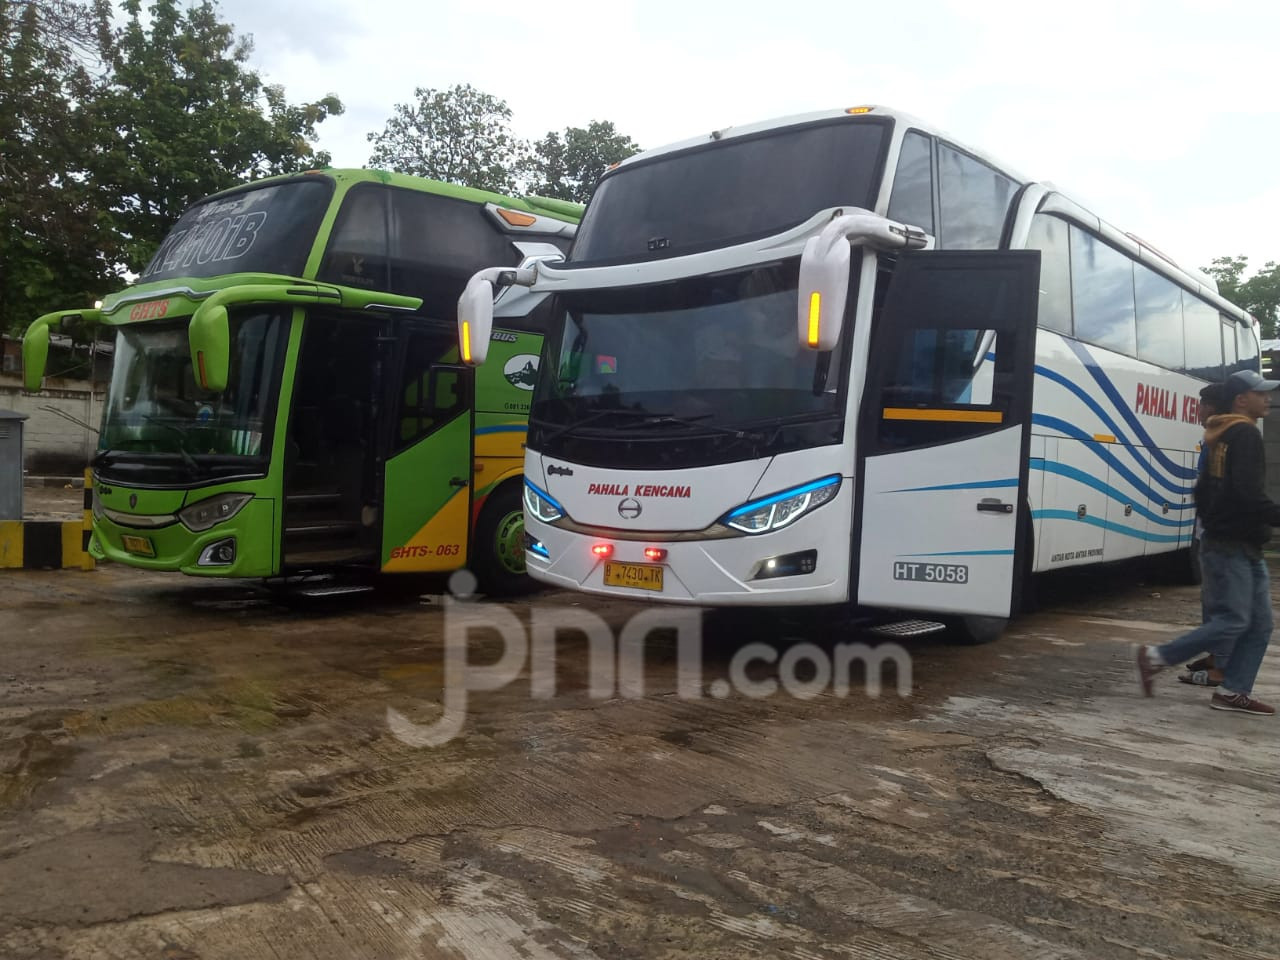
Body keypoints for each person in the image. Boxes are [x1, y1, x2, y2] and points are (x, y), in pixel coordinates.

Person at [1136, 369, 1278, 716]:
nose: (1268, 398)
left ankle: (1232, 691)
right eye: (1261, 393)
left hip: (1235, 542)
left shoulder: (1221, 433)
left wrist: (1214, 523)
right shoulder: (1244, 433)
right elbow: (1247, 494)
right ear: (1241, 400)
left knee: (1259, 624)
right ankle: (1157, 657)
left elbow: (1202, 489)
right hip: (1233, 544)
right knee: (1234, 620)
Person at [1179, 381, 1229, 686]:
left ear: (1210, 407)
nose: (1197, 411)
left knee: (1219, 601)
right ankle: (1215, 656)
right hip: (1208, 530)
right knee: (1211, 599)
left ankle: (1219, 664)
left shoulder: (1223, 439)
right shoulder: (1213, 437)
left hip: (1217, 533)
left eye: (1200, 405)